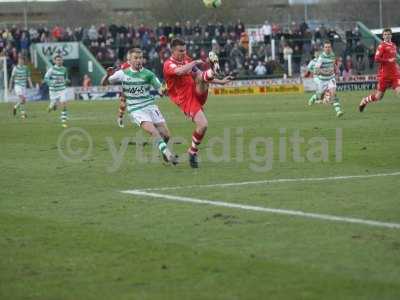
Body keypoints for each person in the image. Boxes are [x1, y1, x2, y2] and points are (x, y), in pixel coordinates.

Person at [163, 38, 233, 168]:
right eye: (180, 51)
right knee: (203, 125)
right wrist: (194, 61)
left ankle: (213, 71)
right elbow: (179, 71)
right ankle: (192, 152)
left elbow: (199, 74)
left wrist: (221, 82)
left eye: (185, 50)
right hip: (185, 98)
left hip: (196, 91)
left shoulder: (187, 59)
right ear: (172, 50)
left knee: (202, 78)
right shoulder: (168, 64)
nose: (184, 53)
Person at [102, 48, 178, 165]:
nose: (139, 60)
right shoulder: (122, 73)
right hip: (136, 109)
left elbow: (160, 90)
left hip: (150, 106)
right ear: (129, 60)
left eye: (140, 58)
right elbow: (104, 84)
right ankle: (169, 154)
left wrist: (165, 89)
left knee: (167, 135)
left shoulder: (148, 74)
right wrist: (107, 75)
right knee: (154, 132)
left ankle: (164, 152)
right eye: (136, 58)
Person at [359, 28, 400, 112]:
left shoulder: (393, 45)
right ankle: (365, 100)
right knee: (378, 97)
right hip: (384, 75)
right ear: (383, 36)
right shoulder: (382, 46)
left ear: (391, 35)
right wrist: (388, 60)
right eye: (385, 34)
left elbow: (394, 59)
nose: (387, 36)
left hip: (395, 74)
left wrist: (396, 66)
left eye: (388, 34)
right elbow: (376, 58)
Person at [313, 40, 344, 117]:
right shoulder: (321, 58)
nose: (327, 48)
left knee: (333, 93)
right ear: (323, 48)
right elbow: (315, 70)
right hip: (322, 80)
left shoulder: (332, 55)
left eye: (329, 47)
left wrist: (337, 70)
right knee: (320, 96)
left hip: (331, 78)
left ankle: (338, 111)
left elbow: (333, 65)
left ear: (331, 48)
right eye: (326, 47)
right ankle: (314, 97)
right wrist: (324, 72)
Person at [44, 55, 70, 127]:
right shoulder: (51, 69)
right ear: (54, 61)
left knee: (64, 102)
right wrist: (51, 83)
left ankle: (64, 121)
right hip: (53, 91)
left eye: (60, 60)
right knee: (52, 106)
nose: (59, 61)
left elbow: (66, 78)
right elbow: (46, 78)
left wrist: (67, 81)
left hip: (62, 89)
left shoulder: (65, 69)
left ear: (62, 61)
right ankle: (50, 108)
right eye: (57, 60)